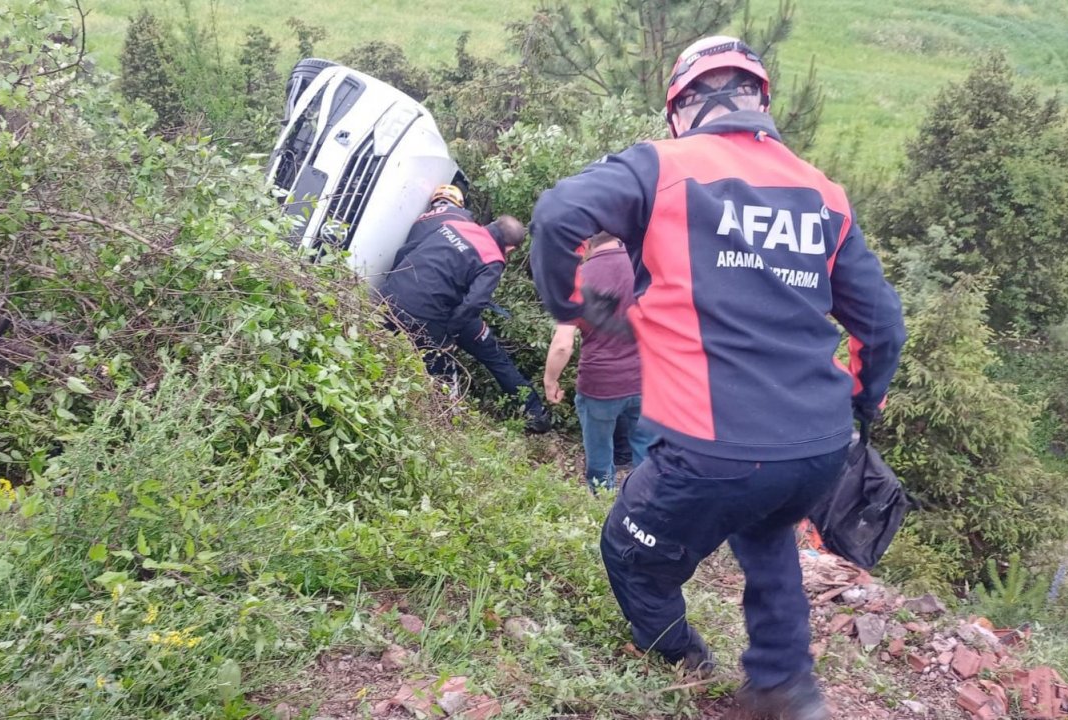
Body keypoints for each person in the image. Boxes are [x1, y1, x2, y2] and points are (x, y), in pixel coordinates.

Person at [528, 35, 906, 719]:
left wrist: (571, 306)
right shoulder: (824, 192)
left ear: (679, 110)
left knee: (631, 553)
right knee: (766, 532)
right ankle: (785, 685)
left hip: (714, 446)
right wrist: (862, 399)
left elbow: (557, 215)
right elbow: (883, 326)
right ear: (762, 102)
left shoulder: (662, 167)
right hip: (815, 447)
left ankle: (687, 667)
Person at [383, 187, 552, 433]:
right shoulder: (493, 258)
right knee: (490, 358)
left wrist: (395, 287)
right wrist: (447, 337)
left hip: (390, 298)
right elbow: (473, 304)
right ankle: (533, 415)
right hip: (432, 315)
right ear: (511, 249)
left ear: (490, 224)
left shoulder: (455, 225)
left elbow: (406, 252)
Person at [543, 232, 653, 492]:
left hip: (600, 387)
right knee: (645, 454)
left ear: (587, 242)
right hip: (646, 381)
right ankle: (641, 506)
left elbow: (562, 344)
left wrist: (550, 381)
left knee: (600, 456)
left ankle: (602, 509)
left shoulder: (578, 279)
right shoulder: (646, 264)